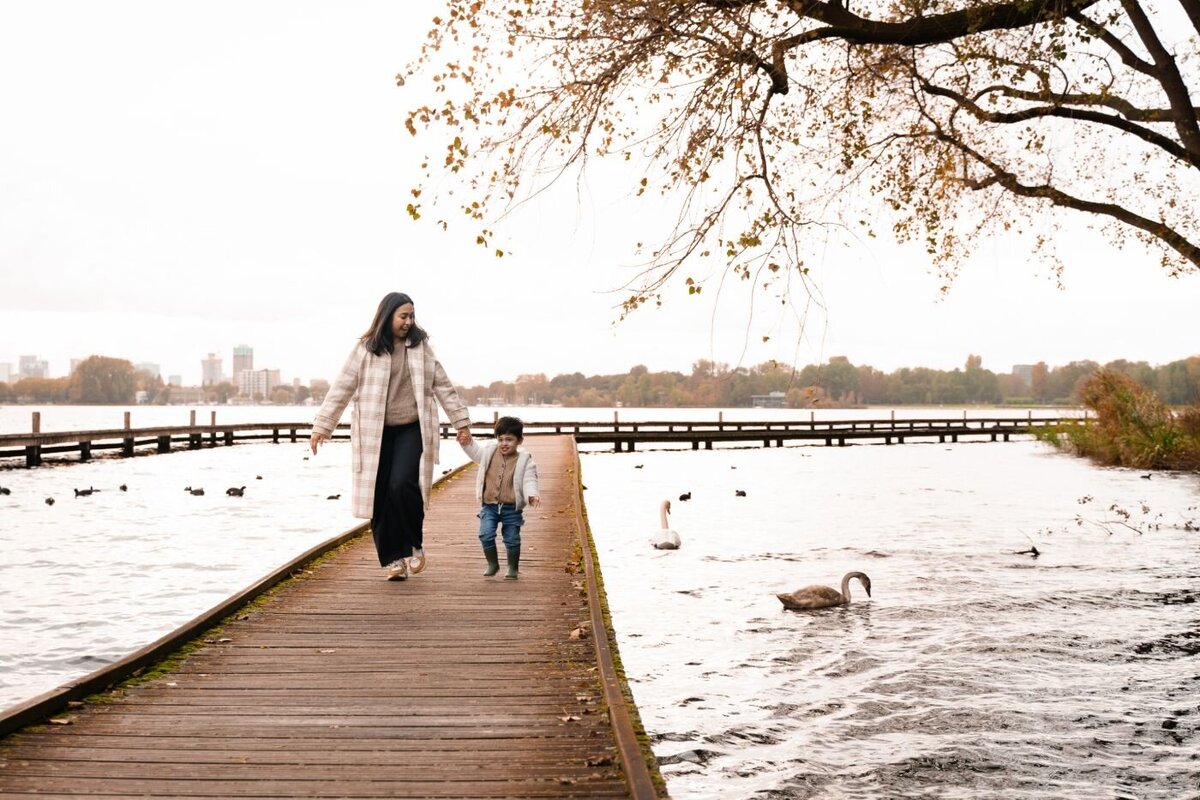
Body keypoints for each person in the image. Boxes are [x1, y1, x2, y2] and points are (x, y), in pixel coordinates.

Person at [310, 292, 473, 581]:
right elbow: (342, 387)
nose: (409, 322)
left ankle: (413, 544)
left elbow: (443, 385)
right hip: (375, 432)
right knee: (380, 495)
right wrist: (322, 426)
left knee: (402, 484)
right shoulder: (366, 349)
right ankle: (393, 560)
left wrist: (460, 422)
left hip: (412, 427)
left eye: (412, 316)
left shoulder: (420, 347)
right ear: (387, 317)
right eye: (403, 316)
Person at [460, 416, 540, 579]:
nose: (504, 443)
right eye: (501, 439)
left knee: (512, 539)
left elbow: (529, 480)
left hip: (511, 508)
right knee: (485, 534)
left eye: (509, 440)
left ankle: (512, 567)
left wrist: (532, 495)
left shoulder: (525, 461)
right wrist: (466, 442)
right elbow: (475, 452)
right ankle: (492, 563)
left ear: (520, 441)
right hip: (489, 505)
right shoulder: (489, 452)